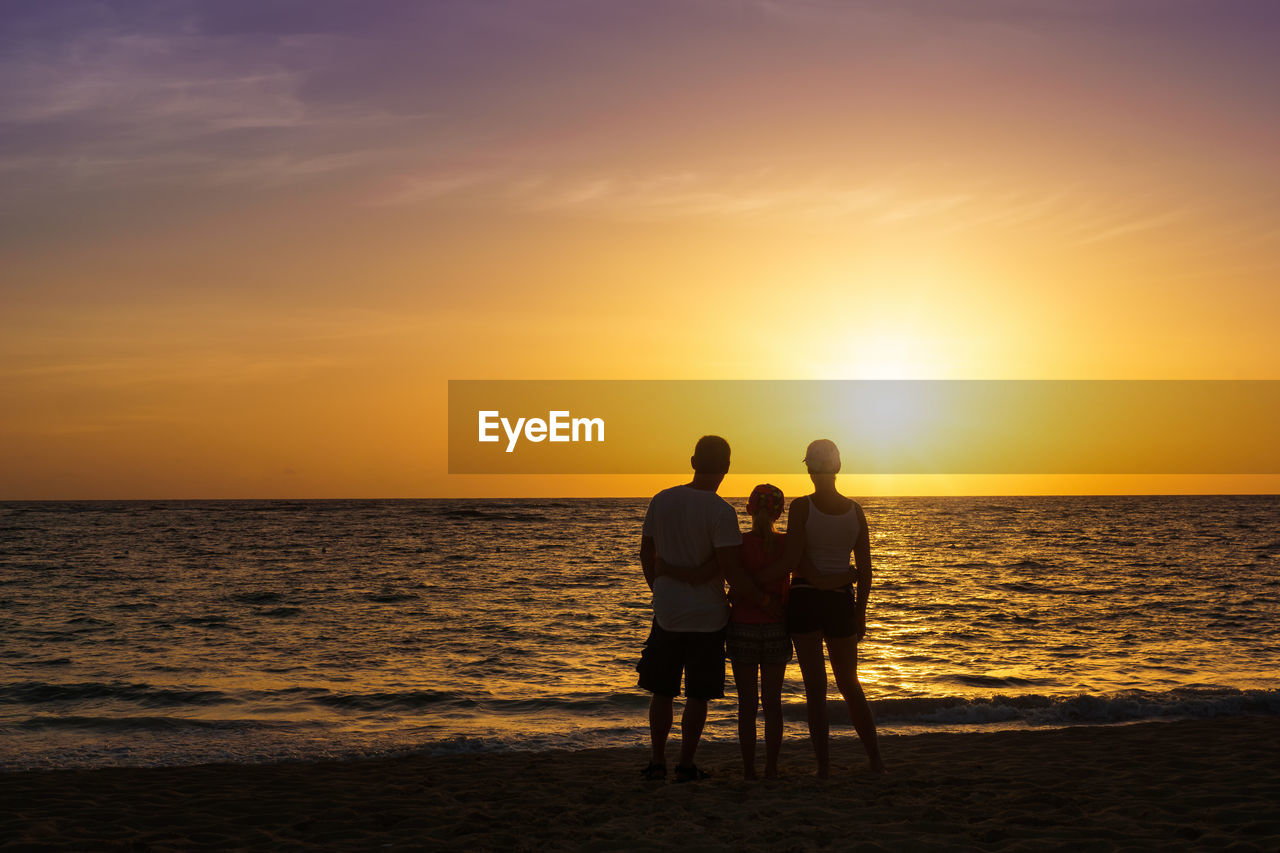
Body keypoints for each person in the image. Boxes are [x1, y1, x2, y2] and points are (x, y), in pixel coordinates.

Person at [637, 435, 769, 783]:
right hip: (708, 618)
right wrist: (763, 599)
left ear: (693, 462)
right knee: (697, 695)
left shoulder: (661, 500)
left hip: (667, 613)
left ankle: (656, 761)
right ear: (727, 467)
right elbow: (728, 566)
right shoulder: (721, 512)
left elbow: (646, 554)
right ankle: (685, 764)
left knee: (662, 691)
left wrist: (663, 587)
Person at [764, 438, 884, 776]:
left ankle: (824, 767)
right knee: (850, 684)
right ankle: (875, 761)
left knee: (815, 690)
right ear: (838, 467)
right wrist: (859, 611)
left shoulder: (802, 507)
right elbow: (866, 570)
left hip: (805, 601)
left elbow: (796, 560)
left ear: (809, 468)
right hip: (840, 602)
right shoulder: (855, 510)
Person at [725, 483, 792, 780]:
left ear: (749, 509)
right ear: (780, 512)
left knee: (747, 704)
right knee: (773, 703)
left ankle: (750, 769)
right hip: (777, 627)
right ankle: (772, 768)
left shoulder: (738, 543)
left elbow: (735, 584)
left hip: (743, 627)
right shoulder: (787, 544)